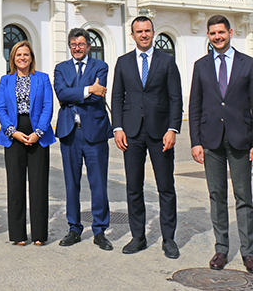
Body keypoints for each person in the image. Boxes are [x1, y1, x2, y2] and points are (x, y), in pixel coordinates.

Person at [111, 16, 182, 259]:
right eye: (139, 31)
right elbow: (117, 97)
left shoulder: (167, 61)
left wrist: (173, 129)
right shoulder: (123, 62)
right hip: (131, 133)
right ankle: (138, 236)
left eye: (147, 31)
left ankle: (169, 238)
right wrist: (117, 128)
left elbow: (175, 98)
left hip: (160, 132)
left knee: (166, 187)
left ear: (154, 33)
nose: (144, 35)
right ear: (132, 35)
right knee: (133, 187)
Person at [189, 15, 253, 272]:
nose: (217, 37)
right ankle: (221, 249)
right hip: (211, 140)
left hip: (241, 139)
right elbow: (194, 105)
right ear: (208, 35)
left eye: (221, 32)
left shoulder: (247, 64)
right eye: (213, 33)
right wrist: (195, 142)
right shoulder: (201, 65)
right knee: (216, 196)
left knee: (243, 196)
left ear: (230, 32)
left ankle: (248, 252)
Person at [54, 28, 113, 251]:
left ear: (88, 45)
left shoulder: (100, 66)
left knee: (98, 183)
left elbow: (99, 94)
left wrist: (75, 93)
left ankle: (99, 230)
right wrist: (89, 89)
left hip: (95, 132)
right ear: (69, 46)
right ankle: (74, 228)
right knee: (72, 182)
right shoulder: (61, 68)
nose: (77, 48)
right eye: (73, 45)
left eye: (81, 44)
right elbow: (61, 94)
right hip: (70, 132)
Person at [0, 41, 54, 246]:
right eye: (18, 54)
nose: (22, 58)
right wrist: (13, 132)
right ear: (13, 58)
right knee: (15, 185)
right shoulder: (5, 80)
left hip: (38, 132)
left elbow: (48, 106)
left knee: (38, 185)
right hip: (14, 133)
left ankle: (39, 234)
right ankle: (18, 235)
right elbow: (1, 109)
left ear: (31, 58)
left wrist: (38, 132)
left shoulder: (43, 79)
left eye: (26, 54)